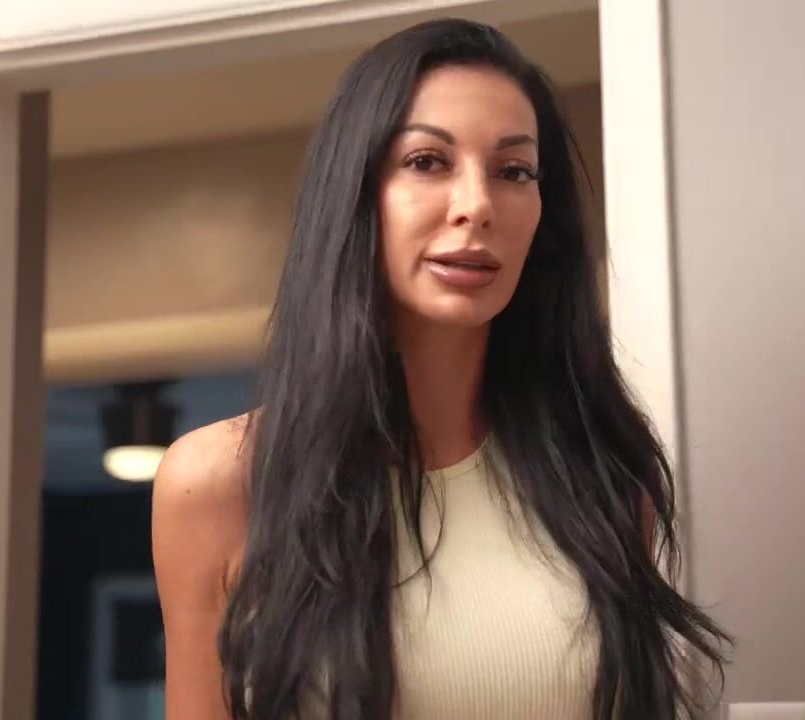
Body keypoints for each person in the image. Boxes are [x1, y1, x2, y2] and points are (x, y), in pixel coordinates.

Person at [152, 17, 731, 720]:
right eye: (428, 161)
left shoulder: (602, 473)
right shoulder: (218, 481)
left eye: (514, 171)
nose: (477, 205)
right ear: (356, 193)